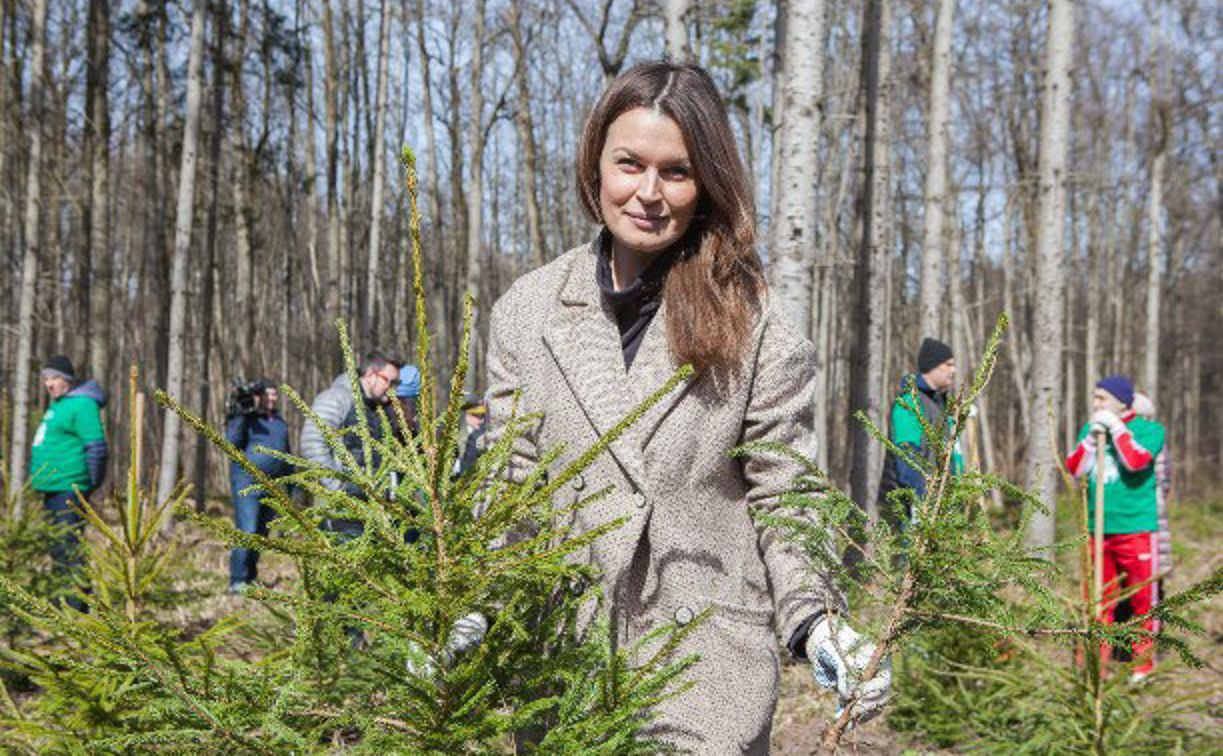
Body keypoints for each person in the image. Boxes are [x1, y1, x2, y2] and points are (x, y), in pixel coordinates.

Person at [484, 61, 888, 753]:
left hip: (705, 669)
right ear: (595, 166)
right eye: (629, 164)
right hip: (565, 664)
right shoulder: (528, 310)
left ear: (706, 183)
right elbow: (510, 482)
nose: (648, 192)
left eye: (675, 171)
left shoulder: (755, 322)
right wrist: (476, 602)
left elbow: (783, 491)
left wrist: (814, 620)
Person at [1066, 375, 1165, 682]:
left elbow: (1136, 461)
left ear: (1121, 402)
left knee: (1142, 600)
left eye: (1101, 398)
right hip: (1098, 529)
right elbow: (1073, 467)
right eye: (1095, 398)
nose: (1095, 404)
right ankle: (1095, 666)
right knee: (1098, 599)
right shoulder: (1091, 429)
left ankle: (1142, 665)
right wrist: (1089, 439)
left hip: (1135, 527)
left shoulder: (1150, 430)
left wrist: (1116, 428)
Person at [29, 355, 108, 610]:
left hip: (69, 487)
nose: (49, 384)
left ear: (68, 380)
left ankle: (77, 604)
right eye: (46, 379)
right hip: (52, 488)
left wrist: (90, 483)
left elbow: (96, 447)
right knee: (58, 547)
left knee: (70, 546)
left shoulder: (83, 404)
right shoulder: (59, 404)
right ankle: (63, 596)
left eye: (54, 378)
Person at [300, 349, 404, 538]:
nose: (393, 389)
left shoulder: (378, 410)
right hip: (341, 512)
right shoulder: (337, 398)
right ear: (371, 375)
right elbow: (312, 443)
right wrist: (339, 490)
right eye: (390, 382)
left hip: (375, 510)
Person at [877, 338, 962, 521]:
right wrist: (919, 502)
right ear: (933, 366)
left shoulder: (939, 403)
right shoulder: (909, 401)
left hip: (937, 504)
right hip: (908, 508)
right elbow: (907, 455)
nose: (953, 370)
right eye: (948, 364)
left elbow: (950, 455)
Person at [224, 379, 293, 593]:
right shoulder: (247, 419)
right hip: (247, 483)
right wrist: (242, 413)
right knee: (247, 529)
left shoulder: (280, 422)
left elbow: (286, 453)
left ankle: (250, 577)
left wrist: (291, 484)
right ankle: (237, 580)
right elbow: (231, 441)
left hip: (271, 484)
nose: (272, 398)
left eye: (274, 394)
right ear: (258, 397)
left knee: (261, 534)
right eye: (267, 394)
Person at [455, 396, 487, 477]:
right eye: (476, 415)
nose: (481, 420)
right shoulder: (457, 432)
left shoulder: (484, 434)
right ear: (467, 414)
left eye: (482, 416)